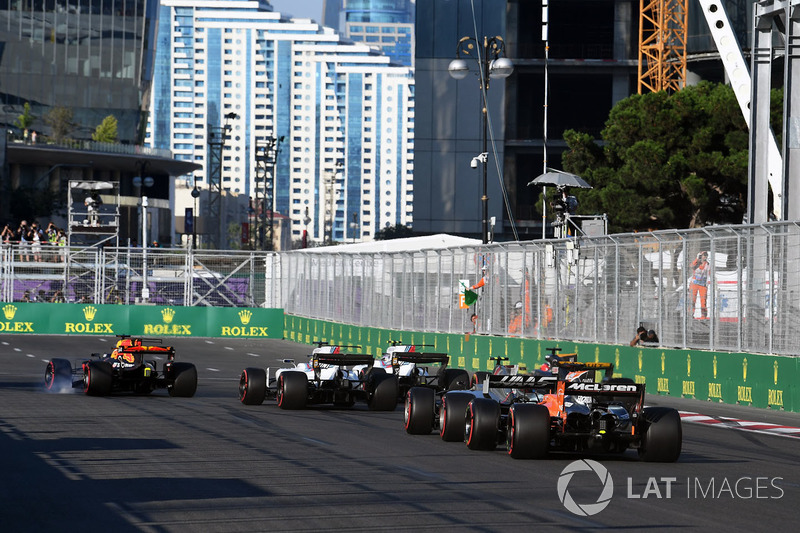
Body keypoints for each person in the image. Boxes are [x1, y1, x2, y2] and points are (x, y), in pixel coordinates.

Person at [690, 251, 709, 319]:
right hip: (694, 283)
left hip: (703, 285)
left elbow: (708, 273)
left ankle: (703, 316)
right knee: (692, 299)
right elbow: (692, 266)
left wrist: (708, 282)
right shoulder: (696, 263)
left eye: (706, 255)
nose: (705, 256)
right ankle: (690, 314)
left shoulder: (707, 264)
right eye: (703, 255)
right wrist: (697, 259)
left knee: (703, 300)